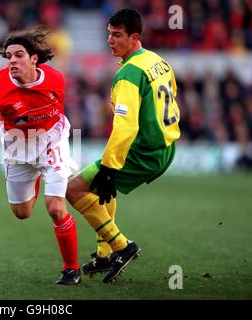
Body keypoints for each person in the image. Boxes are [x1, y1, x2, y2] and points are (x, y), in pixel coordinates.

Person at [66, 8, 181, 283]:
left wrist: (108, 166)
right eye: (109, 34)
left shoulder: (129, 74)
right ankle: (105, 254)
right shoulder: (157, 60)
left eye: (117, 35)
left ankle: (121, 247)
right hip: (166, 147)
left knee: (73, 189)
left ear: (134, 37)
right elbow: (173, 96)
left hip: (143, 152)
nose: (110, 40)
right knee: (106, 188)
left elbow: (125, 126)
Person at [0, 26, 80, 285]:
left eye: (18, 55)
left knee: (55, 208)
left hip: (52, 141)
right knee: (22, 213)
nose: (12, 61)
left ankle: (71, 269)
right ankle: (37, 178)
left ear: (34, 59)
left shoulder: (56, 79)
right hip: (17, 147)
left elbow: (57, 112)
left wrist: (51, 145)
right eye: (8, 56)